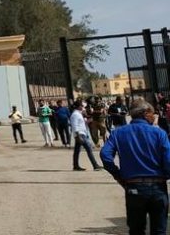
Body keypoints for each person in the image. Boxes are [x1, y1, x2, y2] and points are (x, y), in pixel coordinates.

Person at [101, 98, 170, 235]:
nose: (154, 116)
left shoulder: (118, 133)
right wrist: (166, 175)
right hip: (158, 187)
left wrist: (118, 175)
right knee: (159, 230)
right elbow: (168, 160)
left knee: (136, 230)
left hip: (133, 187)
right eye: (152, 113)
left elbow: (105, 154)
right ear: (145, 113)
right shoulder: (159, 133)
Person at [70, 100, 103, 171]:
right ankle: (95, 165)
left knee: (77, 151)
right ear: (79, 106)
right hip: (80, 134)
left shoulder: (78, 114)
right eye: (82, 106)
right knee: (89, 149)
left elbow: (81, 123)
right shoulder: (75, 115)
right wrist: (77, 136)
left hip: (82, 134)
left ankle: (75, 166)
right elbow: (75, 126)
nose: (83, 107)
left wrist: (88, 121)